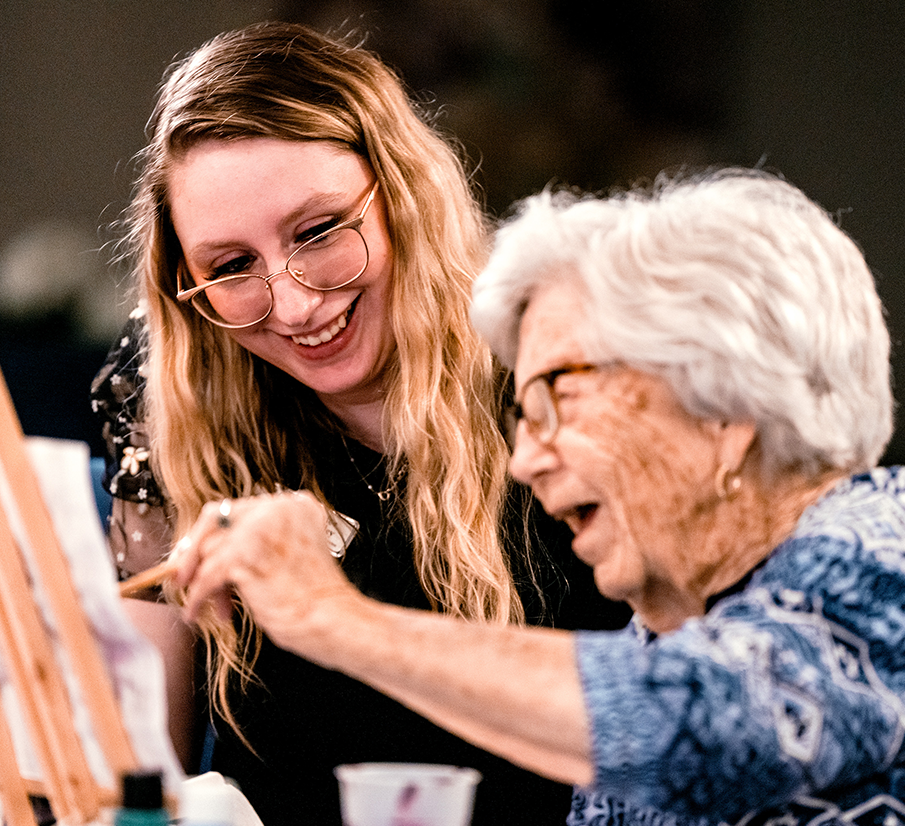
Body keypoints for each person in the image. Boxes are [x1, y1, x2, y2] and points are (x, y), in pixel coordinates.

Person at [173, 168, 905, 826]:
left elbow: (704, 720)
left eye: (558, 396)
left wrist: (327, 614)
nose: (524, 459)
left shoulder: (881, 550)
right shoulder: (656, 632)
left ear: (725, 407)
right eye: (521, 413)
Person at [90, 20, 629, 826]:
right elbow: (130, 774)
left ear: (402, 192)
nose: (298, 303)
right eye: (231, 268)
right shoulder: (172, 408)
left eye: (318, 232)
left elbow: (666, 715)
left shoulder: (560, 376)